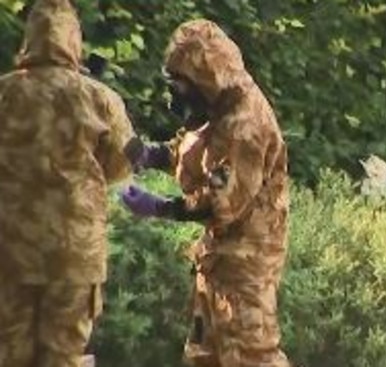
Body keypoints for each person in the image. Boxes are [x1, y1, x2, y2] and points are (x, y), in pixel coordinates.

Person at [120, 19, 291, 367]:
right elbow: (195, 153)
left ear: (203, 81)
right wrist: (150, 154)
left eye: (179, 89)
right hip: (217, 262)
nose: (174, 100)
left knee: (250, 357)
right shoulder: (217, 107)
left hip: (246, 269)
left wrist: (161, 207)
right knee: (204, 356)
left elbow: (222, 202)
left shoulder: (246, 126)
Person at [0, 0, 137, 366]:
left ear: (29, 38)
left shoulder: (4, 93)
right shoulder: (100, 99)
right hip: (74, 257)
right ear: (74, 41)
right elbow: (123, 165)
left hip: (8, 252)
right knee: (64, 357)